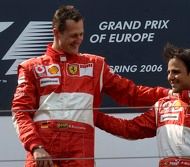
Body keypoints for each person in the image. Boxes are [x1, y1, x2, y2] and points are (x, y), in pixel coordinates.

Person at [11, 5, 169, 167]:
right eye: (73, 35)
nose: (79, 39)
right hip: (43, 151)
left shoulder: (95, 65)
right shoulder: (31, 67)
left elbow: (132, 93)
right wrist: (35, 146)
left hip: (79, 151)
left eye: (81, 34)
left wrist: (171, 94)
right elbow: (20, 112)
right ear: (57, 33)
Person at [95, 43, 190, 167]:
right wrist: (93, 115)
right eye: (168, 72)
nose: (170, 77)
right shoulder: (162, 106)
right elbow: (128, 129)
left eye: (175, 72)